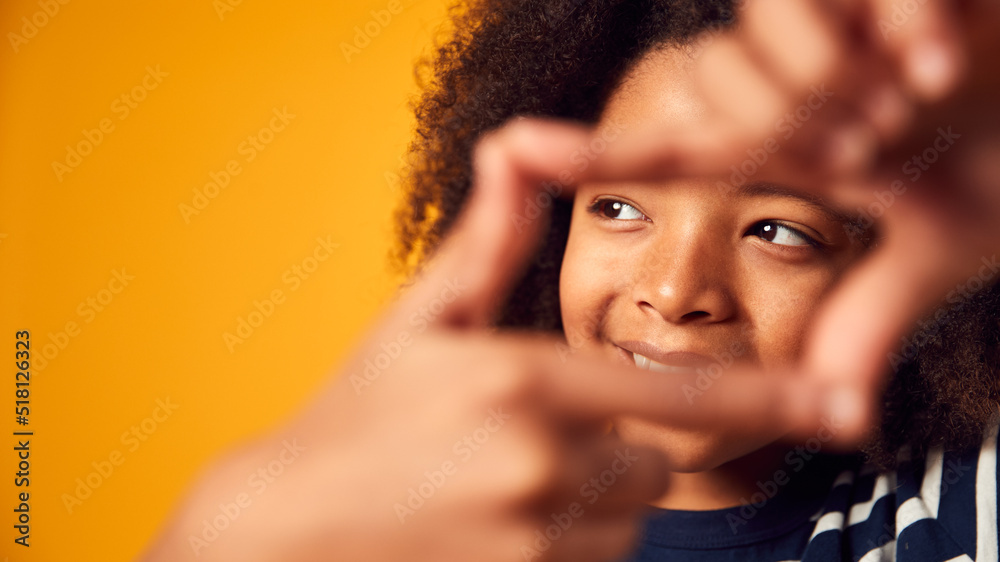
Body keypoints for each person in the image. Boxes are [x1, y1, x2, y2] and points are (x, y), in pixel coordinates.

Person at [140, 1, 1000, 560]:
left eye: (776, 231)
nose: (673, 290)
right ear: (553, 227)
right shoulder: (429, 529)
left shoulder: (960, 504)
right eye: (620, 209)